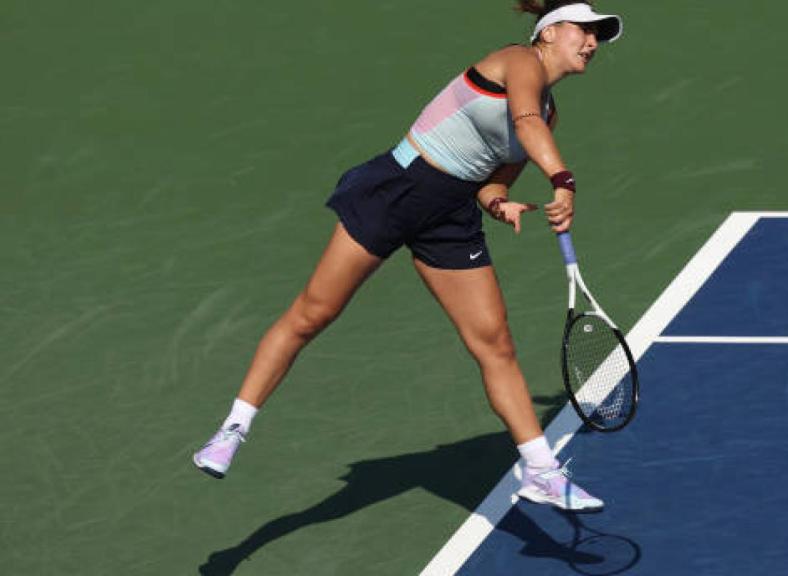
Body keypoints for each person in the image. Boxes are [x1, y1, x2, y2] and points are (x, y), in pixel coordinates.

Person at [193, 0, 623, 512]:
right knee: (313, 314)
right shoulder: (518, 61)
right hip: (396, 191)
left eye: (599, 36)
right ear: (549, 32)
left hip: (449, 216)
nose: (593, 43)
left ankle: (540, 471)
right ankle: (232, 429)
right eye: (584, 31)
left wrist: (498, 201)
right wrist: (563, 180)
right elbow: (525, 123)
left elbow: (493, 178)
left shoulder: (552, 109)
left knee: (495, 343)